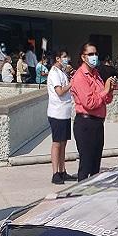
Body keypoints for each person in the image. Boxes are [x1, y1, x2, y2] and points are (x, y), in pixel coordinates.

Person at [71, 43, 114, 180]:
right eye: (90, 54)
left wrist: (109, 90)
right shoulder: (80, 76)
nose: (94, 57)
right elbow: (89, 103)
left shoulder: (96, 74)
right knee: (86, 164)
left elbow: (106, 99)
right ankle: (80, 195)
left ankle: (93, 196)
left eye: (95, 53)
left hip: (97, 122)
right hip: (85, 123)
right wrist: (105, 91)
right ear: (83, 57)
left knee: (96, 164)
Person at [47, 50, 77, 185]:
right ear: (58, 58)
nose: (67, 59)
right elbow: (59, 91)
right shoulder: (54, 73)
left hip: (65, 112)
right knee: (57, 143)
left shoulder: (62, 72)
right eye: (64, 57)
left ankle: (62, 170)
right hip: (57, 113)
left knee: (63, 143)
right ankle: (55, 173)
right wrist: (72, 82)